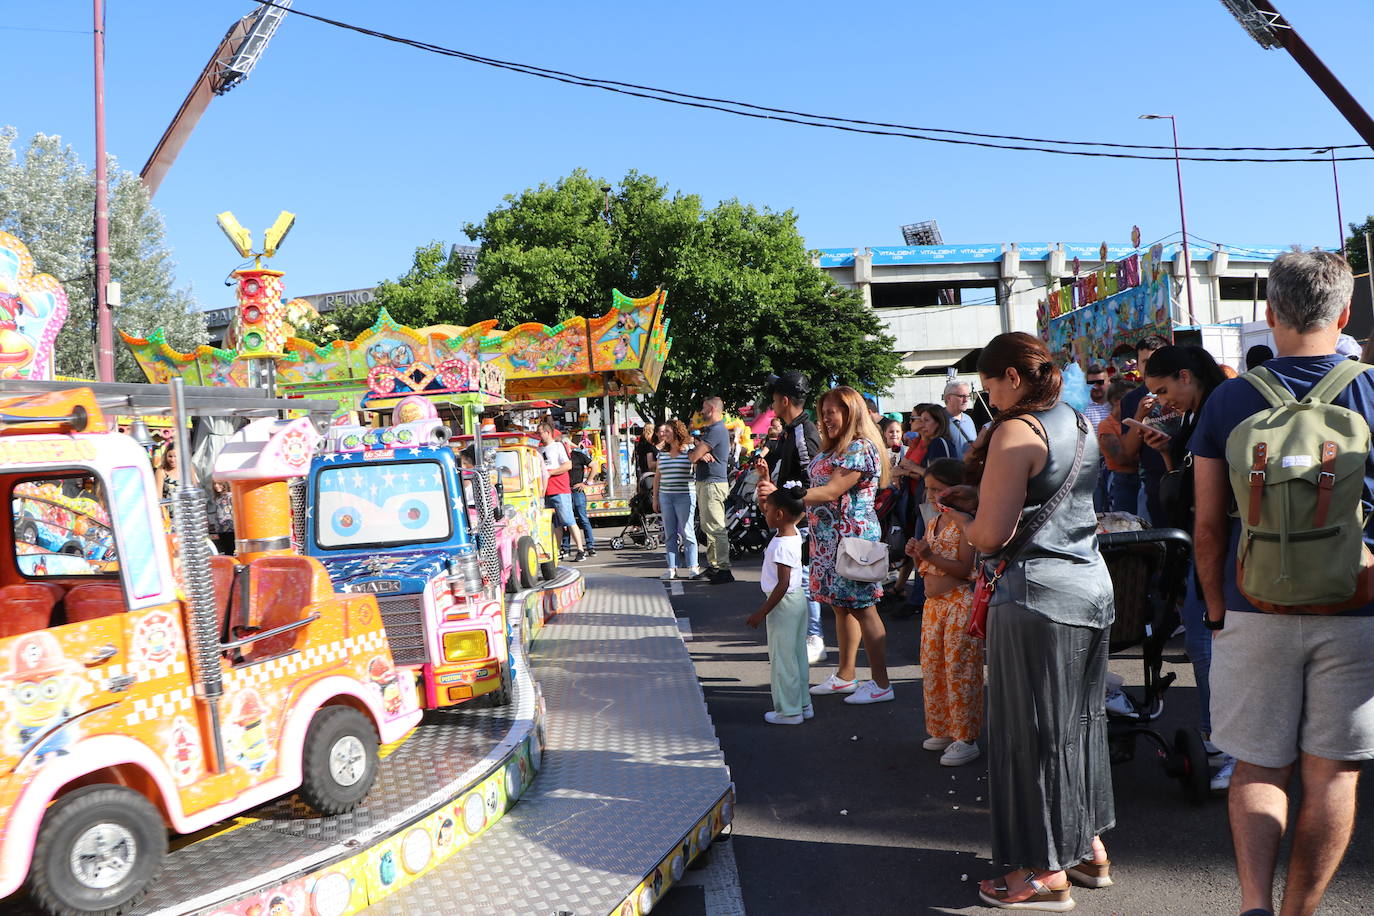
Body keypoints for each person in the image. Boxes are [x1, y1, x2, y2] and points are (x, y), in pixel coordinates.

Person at [1191, 250, 1374, 916]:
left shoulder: (1230, 398)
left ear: (1270, 315)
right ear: (1345, 313)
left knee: (1259, 768)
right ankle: (1300, 912)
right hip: (1357, 609)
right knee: (1332, 772)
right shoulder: (1373, 391)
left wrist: (1218, 611)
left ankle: (1252, 907)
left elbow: (1208, 527)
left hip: (1253, 603)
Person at [961, 332, 1115, 911]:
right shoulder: (1077, 421)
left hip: (1036, 598)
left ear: (1012, 378)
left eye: (989, 386)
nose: (989, 399)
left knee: (1028, 734)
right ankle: (1087, 848)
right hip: (1091, 588)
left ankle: (1041, 870)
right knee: (1078, 725)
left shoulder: (1014, 430)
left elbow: (991, 534)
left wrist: (962, 515)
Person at [762, 386, 893, 705]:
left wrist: (784, 495)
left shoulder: (860, 447)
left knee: (864, 608)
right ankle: (845, 676)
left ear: (850, 413)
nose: (825, 419)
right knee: (841, 606)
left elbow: (832, 490)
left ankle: (881, 683)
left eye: (831, 413)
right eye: (823, 413)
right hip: (827, 538)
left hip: (852, 539)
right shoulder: (834, 447)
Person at [1139, 344, 1232, 788]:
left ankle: (1230, 745)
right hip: (1202, 545)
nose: (1162, 401)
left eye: (1162, 389)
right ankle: (1220, 737)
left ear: (1185, 375)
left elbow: (1214, 495)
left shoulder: (1223, 404)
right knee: (1203, 644)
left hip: (1218, 547)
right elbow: (1192, 482)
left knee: (1211, 644)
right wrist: (1167, 454)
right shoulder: (1199, 412)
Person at [905, 458, 982, 767]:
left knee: (959, 672)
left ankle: (966, 736)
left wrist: (929, 555)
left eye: (938, 489)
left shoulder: (965, 523)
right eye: (928, 489)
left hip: (958, 604)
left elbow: (965, 569)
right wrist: (917, 555)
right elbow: (924, 565)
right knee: (934, 669)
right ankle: (943, 728)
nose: (931, 496)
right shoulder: (934, 521)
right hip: (935, 607)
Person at [758, 371, 826, 664]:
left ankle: (814, 637)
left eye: (774, 399)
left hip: (805, 521)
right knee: (797, 577)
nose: (772, 405)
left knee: (804, 578)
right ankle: (805, 636)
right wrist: (769, 481)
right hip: (794, 518)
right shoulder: (791, 430)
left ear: (785, 400)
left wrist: (779, 492)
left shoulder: (803, 433)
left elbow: (814, 483)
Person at [746, 485, 813, 725]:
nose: (764, 514)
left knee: (782, 659)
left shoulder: (781, 545)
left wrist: (761, 613)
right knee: (796, 654)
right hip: (797, 601)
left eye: (768, 510)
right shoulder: (793, 533)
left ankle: (789, 711)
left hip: (782, 605)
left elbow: (782, 584)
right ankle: (803, 704)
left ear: (780, 514)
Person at [891, 404, 957, 618]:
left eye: (927, 420)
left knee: (925, 548)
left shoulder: (940, 442)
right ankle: (921, 595)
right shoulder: (931, 442)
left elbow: (941, 474)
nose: (922, 423)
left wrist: (911, 469)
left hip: (934, 504)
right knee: (922, 548)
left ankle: (920, 597)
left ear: (938, 422)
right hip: (928, 503)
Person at [1118, 335, 1171, 525]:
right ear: (1138, 366)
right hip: (1157, 484)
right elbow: (1129, 452)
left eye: (1155, 360)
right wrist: (1139, 416)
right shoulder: (1132, 400)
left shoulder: (1183, 388)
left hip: (1192, 477)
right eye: (1145, 362)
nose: (1150, 367)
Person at [689, 397, 733, 584]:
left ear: (712, 408)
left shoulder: (716, 430)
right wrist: (699, 453)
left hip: (712, 483)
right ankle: (715, 566)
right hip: (708, 482)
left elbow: (692, 456)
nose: (701, 411)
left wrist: (698, 453)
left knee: (715, 527)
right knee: (709, 527)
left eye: (704, 407)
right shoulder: (713, 430)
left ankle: (723, 569)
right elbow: (696, 454)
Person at [651, 419, 700, 581]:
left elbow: (698, 467)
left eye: (668, 431)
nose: (664, 434)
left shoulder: (690, 451)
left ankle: (693, 566)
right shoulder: (662, 452)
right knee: (669, 533)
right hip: (666, 496)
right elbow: (658, 476)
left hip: (685, 495)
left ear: (677, 432)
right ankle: (672, 568)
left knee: (687, 532)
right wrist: (655, 498)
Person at [538, 421, 585, 562]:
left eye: (540, 432)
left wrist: (551, 473)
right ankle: (557, 550)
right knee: (556, 524)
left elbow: (568, 465)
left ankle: (580, 549)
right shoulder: (539, 450)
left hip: (560, 489)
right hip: (546, 491)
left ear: (547, 432)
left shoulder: (558, 446)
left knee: (569, 520)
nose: (539, 435)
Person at [1096, 379, 1141, 514]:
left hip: (1139, 480)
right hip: (1122, 482)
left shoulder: (1133, 422)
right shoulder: (1106, 426)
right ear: (1116, 400)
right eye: (1132, 398)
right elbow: (1121, 458)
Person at [1083, 364, 1113, 513]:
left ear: (1108, 381)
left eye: (1100, 382)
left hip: (1115, 465)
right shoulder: (1082, 407)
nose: (1095, 386)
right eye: (1090, 383)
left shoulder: (1116, 405)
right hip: (1091, 465)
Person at [566, 443, 597, 557]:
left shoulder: (578, 455)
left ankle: (590, 546)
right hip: (564, 491)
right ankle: (565, 548)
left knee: (583, 518)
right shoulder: (560, 457)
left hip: (577, 490)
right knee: (566, 520)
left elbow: (594, 465)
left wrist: (586, 483)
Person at [943, 380, 978, 457]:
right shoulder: (939, 420)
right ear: (949, 398)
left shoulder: (968, 420)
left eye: (968, 396)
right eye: (962, 396)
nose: (966, 400)